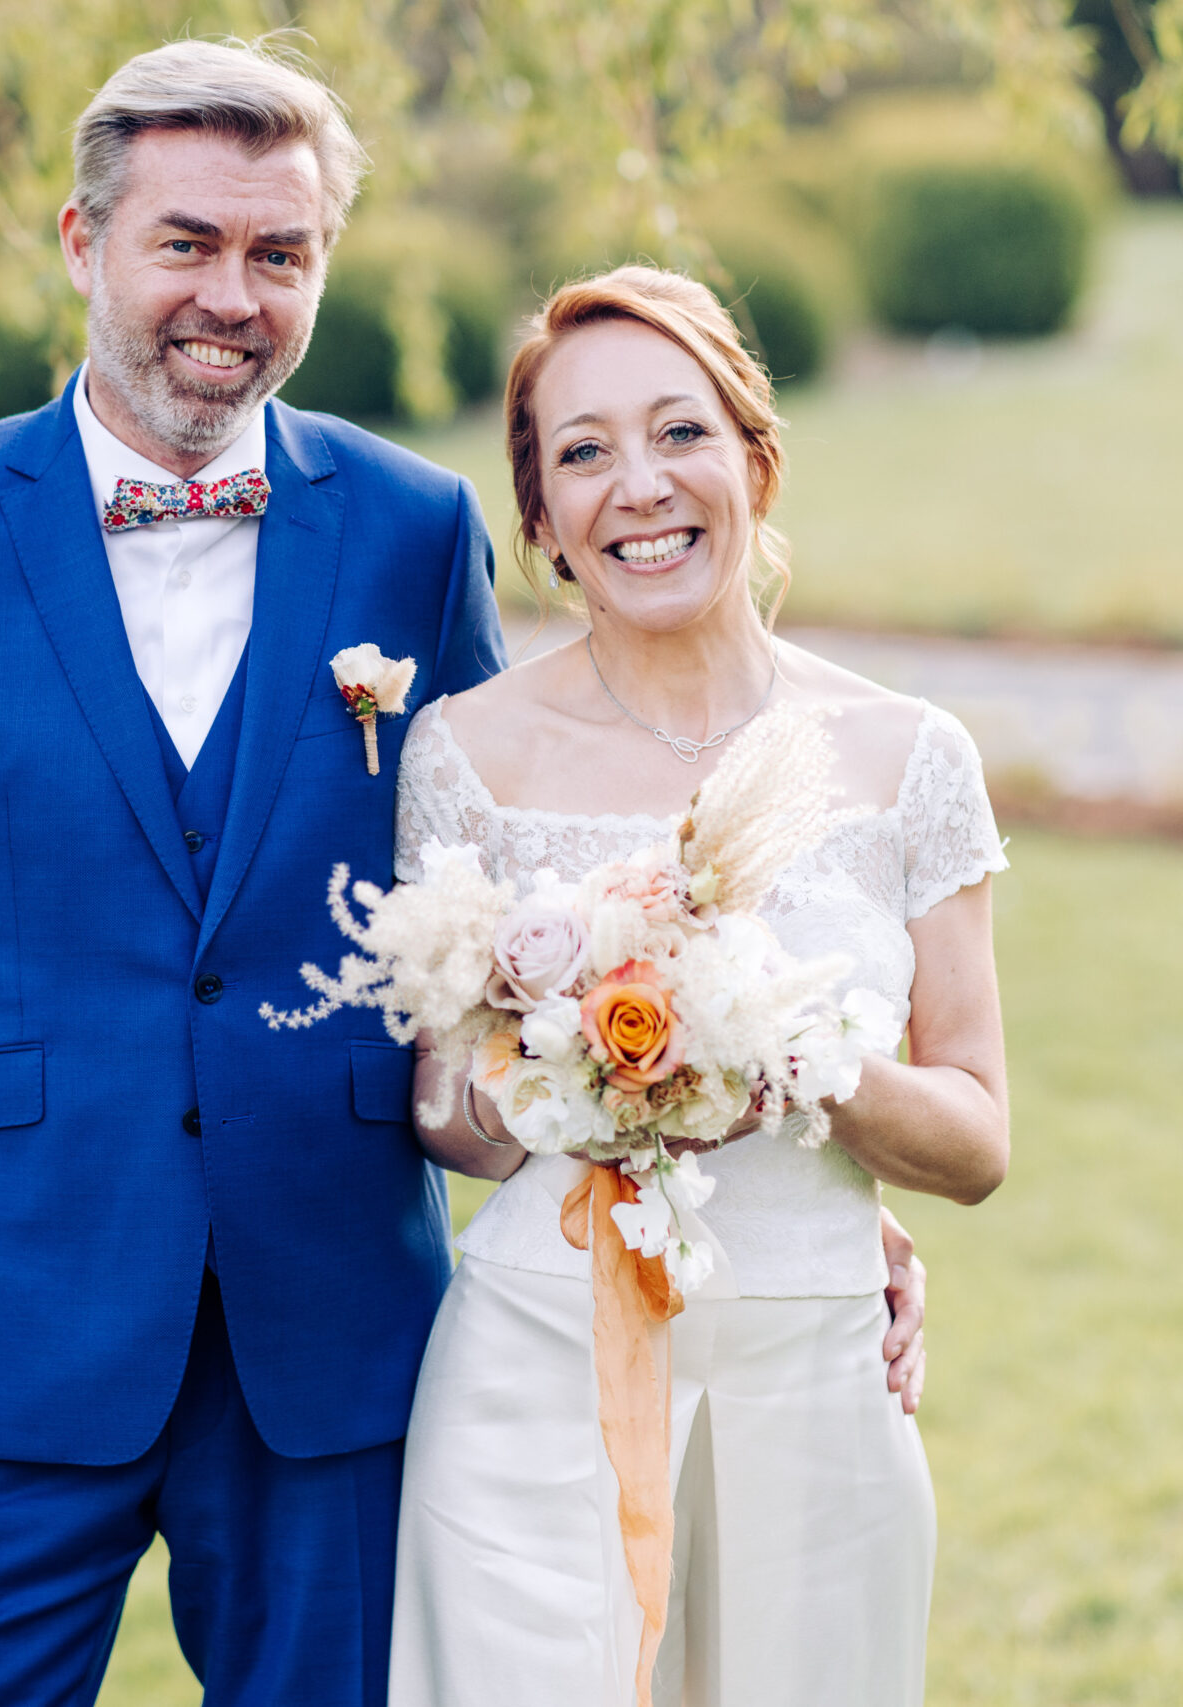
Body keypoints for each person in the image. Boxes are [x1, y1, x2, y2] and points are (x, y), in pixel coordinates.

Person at [0, 37, 927, 1706]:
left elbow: (528, 921)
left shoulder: (412, 526)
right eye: (187, 242)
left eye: (280, 253)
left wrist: (808, 1195)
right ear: (84, 243)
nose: (231, 294)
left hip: (335, 1364)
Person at [387, 265, 1013, 1707]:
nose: (640, 486)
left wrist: (789, 1056)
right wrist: (570, 1063)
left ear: (755, 460)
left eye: (681, 433)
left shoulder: (905, 753)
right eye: (583, 453)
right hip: (537, 1371)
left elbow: (977, 1142)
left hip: (817, 1372)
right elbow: (448, 1124)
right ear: (541, 519)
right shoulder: (465, 756)